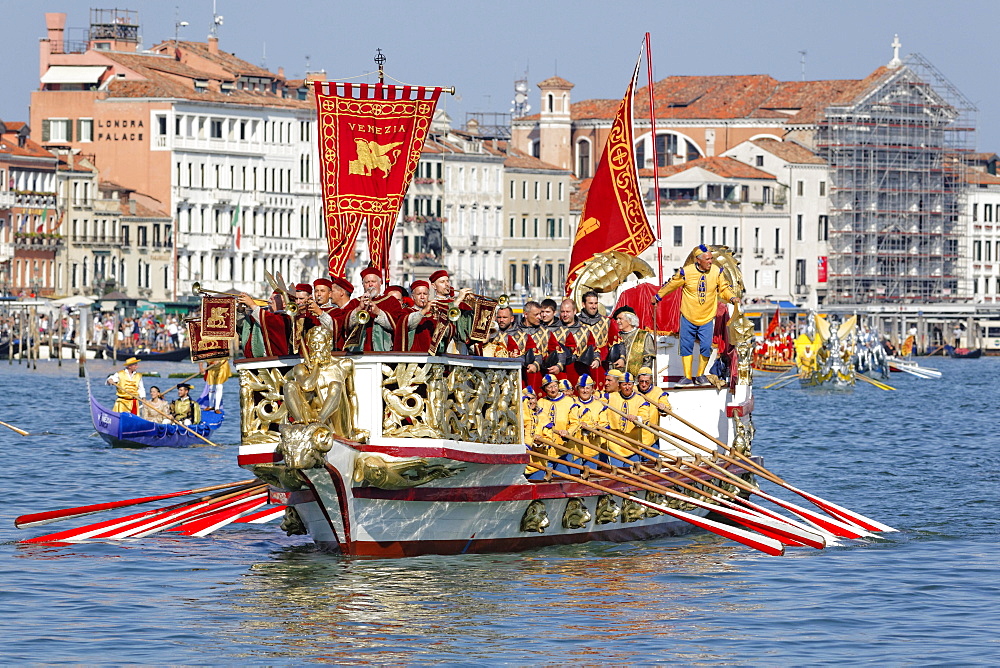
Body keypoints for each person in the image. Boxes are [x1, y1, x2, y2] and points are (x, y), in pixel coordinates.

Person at [655, 244, 739, 386]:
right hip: (688, 315)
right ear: (698, 260)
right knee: (686, 346)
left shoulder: (716, 272)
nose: (710, 261)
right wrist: (658, 296)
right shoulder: (686, 272)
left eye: (711, 259)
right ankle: (687, 377)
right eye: (707, 259)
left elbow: (724, 288)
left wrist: (732, 297)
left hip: (707, 317)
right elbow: (671, 285)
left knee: (706, 346)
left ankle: (700, 375)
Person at [346, 267, 403, 352]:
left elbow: (397, 325)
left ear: (380, 283)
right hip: (358, 351)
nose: (370, 285)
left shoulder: (391, 301)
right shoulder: (354, 302)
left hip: (383, 351)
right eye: (367, 282)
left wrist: (378, 312)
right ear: (363, 285)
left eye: (373, 281)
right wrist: (359, 309)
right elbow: (346, 325)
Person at [604, 372, 654, 467]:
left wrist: (636, 418)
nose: (627, 387)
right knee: (617, 475)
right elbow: (598, 405)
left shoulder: (641, 401)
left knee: (633, 475)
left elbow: (645, 418)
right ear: (619, 385)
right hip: (615, 443)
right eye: (624, 385)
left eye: (629, 384)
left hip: (633, 444)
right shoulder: (610, 397)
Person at [535, 374, 581, 474]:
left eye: (555, 386)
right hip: (545, 449)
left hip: (563, 448)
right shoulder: (541, 402)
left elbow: (575, 422)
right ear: (544, 389)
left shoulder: (569, 401)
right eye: (549, 387)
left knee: (564, 480)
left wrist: (568, 432)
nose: (553, 389)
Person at [576, 290, 619, 387]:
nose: (594, 306)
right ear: (583, 304)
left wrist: (621, 358)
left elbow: (616, 341)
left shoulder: (607, 321)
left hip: (601, 366)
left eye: (596, 303)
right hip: (581, 365)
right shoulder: (576, 322)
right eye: (590, 303)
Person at [608, 309, 655, 377]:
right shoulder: (616, 336)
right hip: (617, 381)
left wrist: (642, 377)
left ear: (630, 320)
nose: (617, 321)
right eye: (617, 319)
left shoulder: (644, 336)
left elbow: (648, 360)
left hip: (636, 381)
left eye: (620, 319)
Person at [574, 374, 608, 467]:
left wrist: (590, 427)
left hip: (592, 448)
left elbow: (604, 424)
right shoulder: (571, 403)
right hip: (575, 449)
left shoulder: (599, 405)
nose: (585, 391)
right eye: (582, 388)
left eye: (587, 388)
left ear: (592, 389)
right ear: (577, 389)